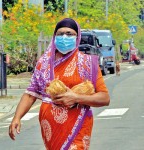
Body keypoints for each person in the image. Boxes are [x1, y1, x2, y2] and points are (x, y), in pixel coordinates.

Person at [9, 18, 110, 149]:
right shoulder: (44, 63)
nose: (64, 37)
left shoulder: (87, 64)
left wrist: (76, 98)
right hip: (51, 129)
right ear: (54, 37)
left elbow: (105, 98)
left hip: (78, 125)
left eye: (69, 34)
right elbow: (30, 94)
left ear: (77, 37)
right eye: (60, 33)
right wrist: (17, 118)